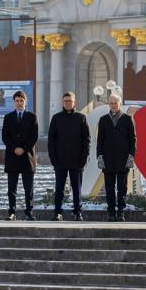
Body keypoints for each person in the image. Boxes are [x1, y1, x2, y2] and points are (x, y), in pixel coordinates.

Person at [48, 92, 90, 221]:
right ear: (62, 102)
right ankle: (57, 213)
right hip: (60, 161)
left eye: (70, 101)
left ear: (74, 102)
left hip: (77, 161)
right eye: (65, 101)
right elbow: (51, 140)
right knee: (59, 188)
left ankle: (77, 212)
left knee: (76, 189)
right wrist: (53, 159)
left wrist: (83, 158)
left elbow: (86, 140)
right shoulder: (56, 118)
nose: (67, 103)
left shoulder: (81, 118)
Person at [96, 94, 136, 222]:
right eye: (111, 103)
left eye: (115, 103)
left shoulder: (127, 119)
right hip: (108, 160)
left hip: (123, 160)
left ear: (120, 104)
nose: (113, 105)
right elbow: (100, 140)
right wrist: (99, 156)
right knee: (109, 188)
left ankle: (121, 212)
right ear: (109, 104)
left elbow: (133, 139)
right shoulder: (103, 119)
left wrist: (131, 156)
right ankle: (111, 212)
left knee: (122, 188)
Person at [2, 90, 38, 221]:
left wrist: (23, 148)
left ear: (25, 101)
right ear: (14, 102)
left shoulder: (32, 117)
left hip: (27, 157)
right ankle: (12, 212)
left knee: (28, 188)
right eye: (17, 100)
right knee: (12, 188)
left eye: (21, 100)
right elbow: (5, 137)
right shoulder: (8, 117)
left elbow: (34, 137)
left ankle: (29, 212)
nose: (19, 103)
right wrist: (14, 148)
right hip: (12, 157)